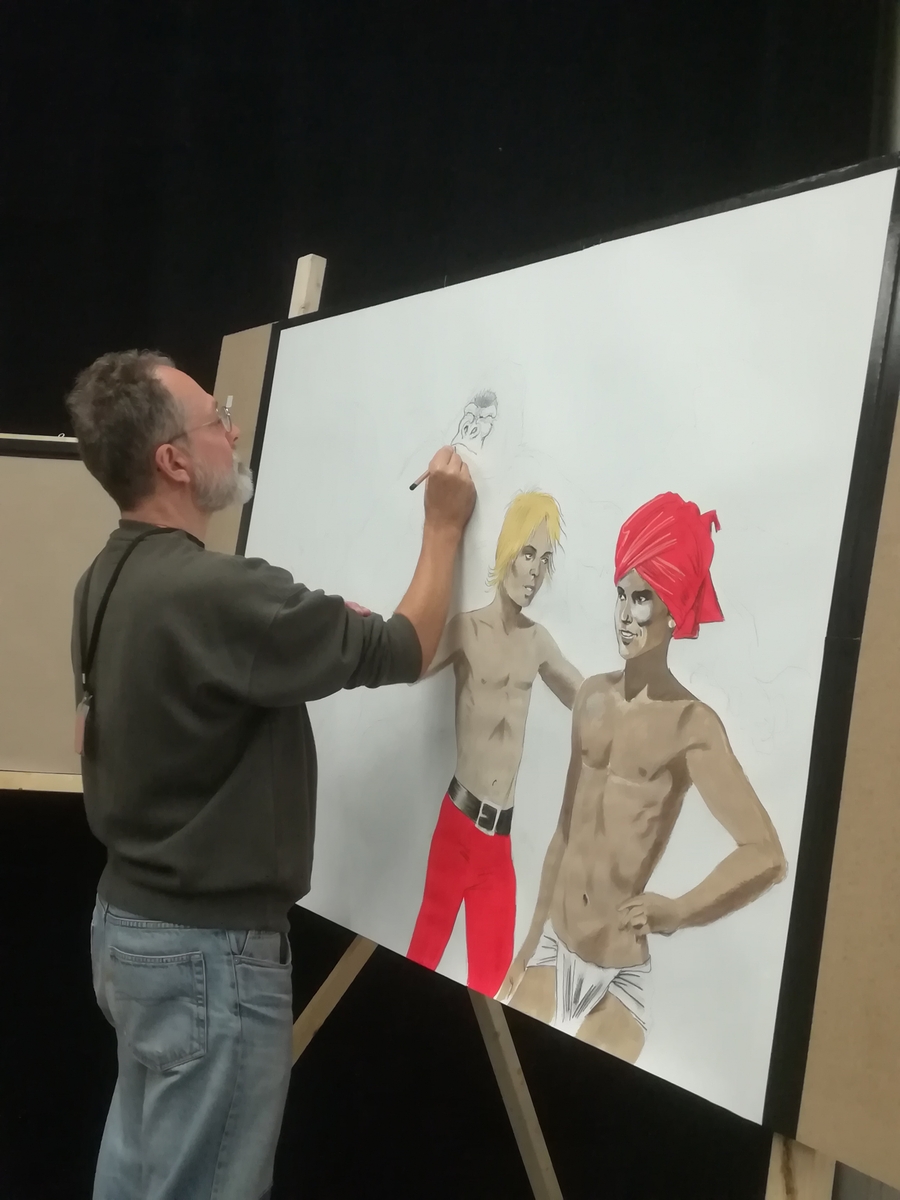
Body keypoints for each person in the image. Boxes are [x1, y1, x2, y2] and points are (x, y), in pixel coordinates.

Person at [66, 349, 475, 1200]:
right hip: (206, 957)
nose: (233, 428)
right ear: (174, 462)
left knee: (137, 1176)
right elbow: (408, 647)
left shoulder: (103, 579)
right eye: (215, 418)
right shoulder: (218, 594)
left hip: (130, 933)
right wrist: (443, 527)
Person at [500, 492, 786, 1062]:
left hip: (619, 976)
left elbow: (766, 855)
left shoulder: (691, 724)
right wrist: (526, 947)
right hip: (554, 946)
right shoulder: (591, 698)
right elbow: (563, 832)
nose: (625, 616)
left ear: (673, 608)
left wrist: (679, 910)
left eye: (642, 599)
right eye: (621, 595)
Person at [407, 491, 582, 996]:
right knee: (418, 961)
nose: (535, 572)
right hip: (456, 830)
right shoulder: (467, 630)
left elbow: (586, 698)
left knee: (492, 990)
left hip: (497, 846)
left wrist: (639, 704)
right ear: (507, 551)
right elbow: (410, 662)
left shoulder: (537, 642)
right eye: (528, 554)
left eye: (544, 561)